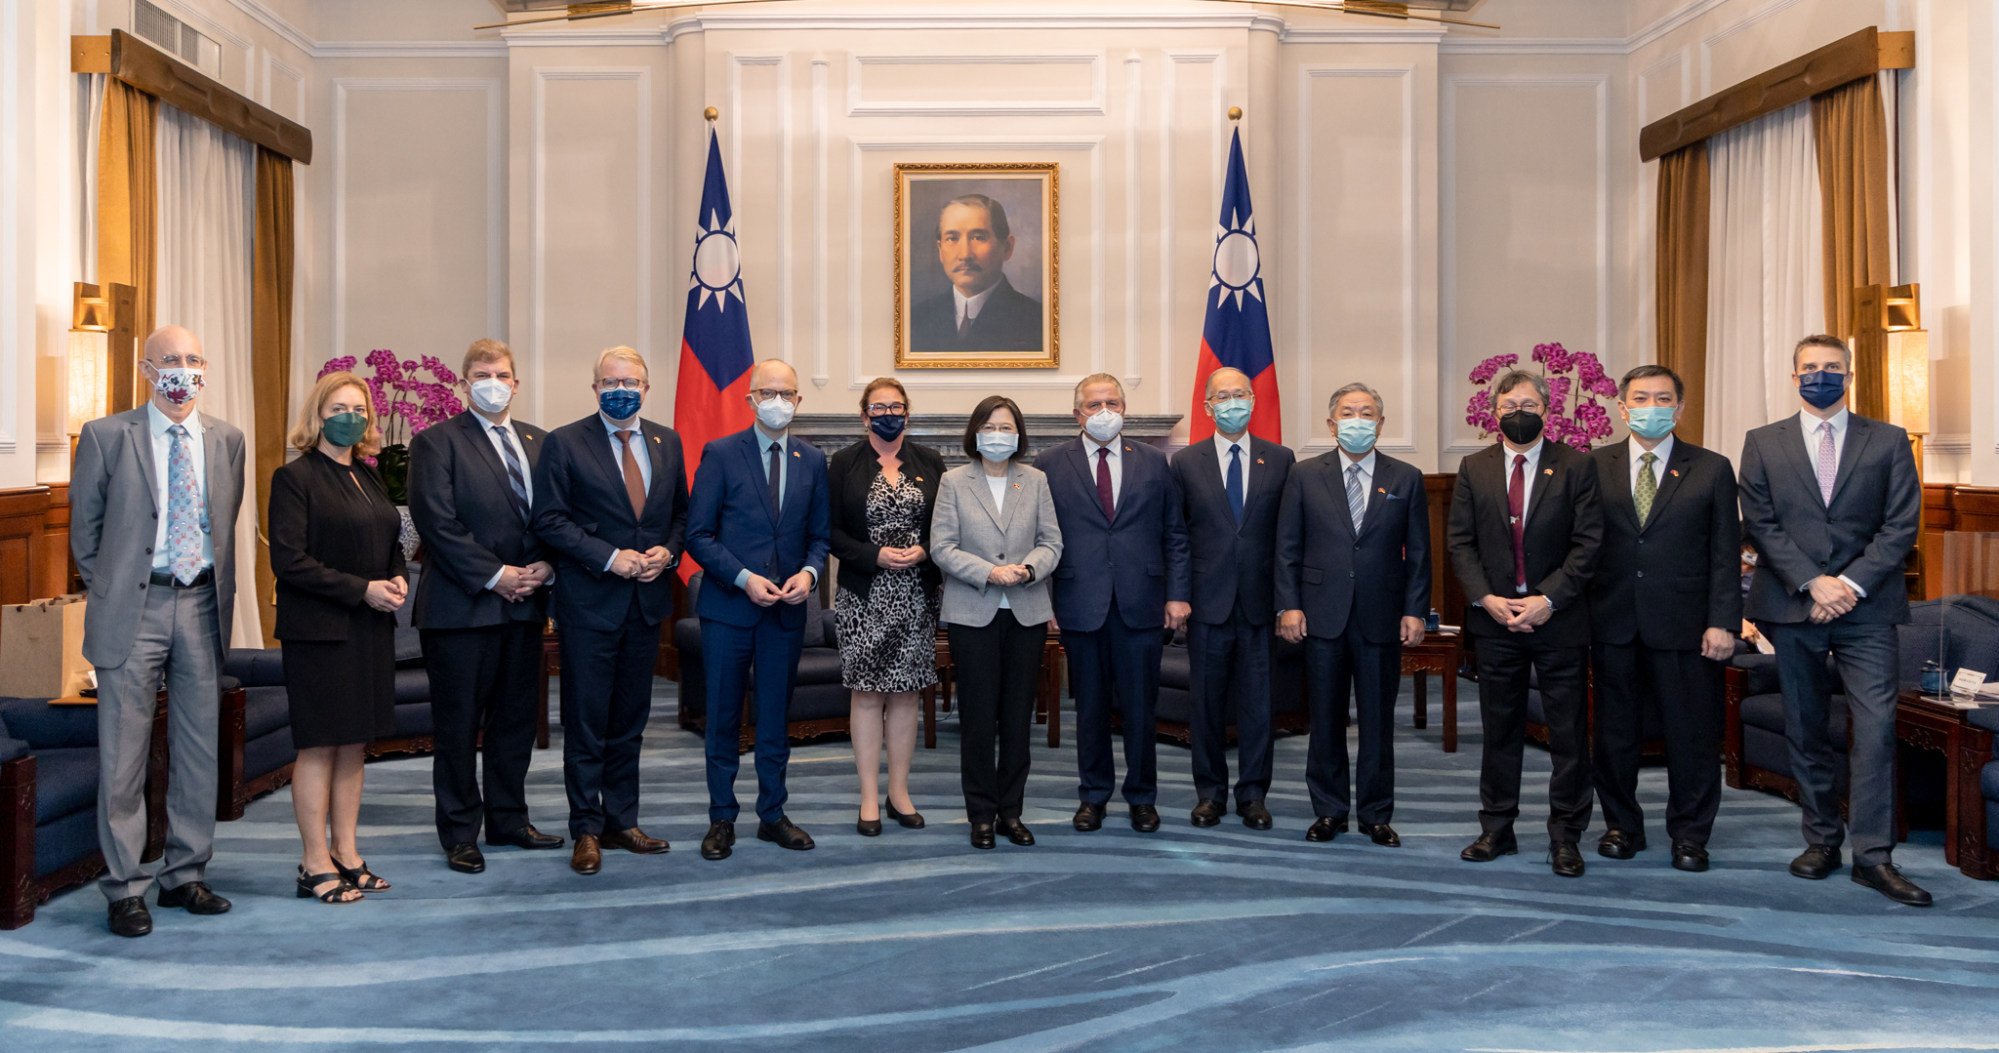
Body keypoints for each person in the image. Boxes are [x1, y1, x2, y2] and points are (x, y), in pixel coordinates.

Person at [1738, 333, 1928, 906]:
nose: (1821, 375)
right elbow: (1761, 523)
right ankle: (1820, 840)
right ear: (1793, 377)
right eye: (1810, 367)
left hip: (1867, 608)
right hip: (1792, 604)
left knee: (1875, 731)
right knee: (1805, 725)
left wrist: (1846, 584)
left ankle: (1873, 857)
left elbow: (1901, 525)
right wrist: (1811, 581)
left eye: (1833, 367)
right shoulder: (1762, 442)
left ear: (1849, 375)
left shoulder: (1889, 440)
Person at [71, 325, 245, 937]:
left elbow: (222, 528)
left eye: (193, 359)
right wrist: (121, 588)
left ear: (206, 369)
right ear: (147, 370)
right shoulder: (105, 436)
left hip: (202, 606)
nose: (183, 369)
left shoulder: (228, 440)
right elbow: (84, 536)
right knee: (124, 752)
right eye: (169, 359)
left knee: (199, 747)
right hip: (134, 610)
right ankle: (124, 887)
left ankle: (186, 874)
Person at [531, 346, 688, 877]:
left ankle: (623, 819)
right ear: (595, 387)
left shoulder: (668, 442)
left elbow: (679, 516)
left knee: (630, 721)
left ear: (647, 387)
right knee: (586, 720)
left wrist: (668, 552)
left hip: (646, 605)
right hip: (588, 605)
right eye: (611, 381)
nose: (622, 389)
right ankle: (586, 828)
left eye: (632, 381)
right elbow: (549, 521)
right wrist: (609, 557)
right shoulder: (565, 442)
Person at [408, 338, 563, 875]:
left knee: (515, 722)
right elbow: (437, 523)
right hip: (460, 610)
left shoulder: (542, 443)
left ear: (516, 383)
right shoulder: (436, 443)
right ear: (463, 383)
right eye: (481, 373)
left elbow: (555, 516)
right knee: (457, 726)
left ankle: (508, 818)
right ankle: (458, 832)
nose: (492, 381)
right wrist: (496, 576)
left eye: (501, 374)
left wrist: (545, 565)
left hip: (526, 605)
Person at [1448, 368, 1602, 877]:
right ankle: (1497, 827)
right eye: (1510, 405)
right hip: (1495, 622)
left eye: (1530, 405)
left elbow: (1588, 544)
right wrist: (1485, 599)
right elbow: (1461, 543)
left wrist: (1547, 600)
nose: (1520, 413)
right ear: (1494, 411)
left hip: (1557, 622)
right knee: (1499, 730)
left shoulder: (1578, 466)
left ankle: (1566, 835)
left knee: (1567, 734)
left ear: (1547, 410)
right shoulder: (1475, 467)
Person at [1587, 365, 1740, 873]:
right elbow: (1582, 547)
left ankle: (1691, 835)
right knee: (1614, 736)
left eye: (1663, 398)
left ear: (1680, 407)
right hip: (1612, 622)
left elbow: (1724, 552)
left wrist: (1724, 621)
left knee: (1691, 735)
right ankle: (1621, 826)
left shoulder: (1712, 468)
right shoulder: (1594, 466)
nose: (1652, 406)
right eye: (1641, 398)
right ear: (1622, 407)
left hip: (1687, 625)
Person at [684, 358, 832, 860]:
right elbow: (697, 536)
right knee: (723, 717)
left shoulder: (813, 461)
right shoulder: (722, 454)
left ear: (798, 401)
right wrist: (745, 579)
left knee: (774, 718)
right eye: (767, 392)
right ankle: (721, 817)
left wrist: (809, 576)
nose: (777, 401)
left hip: (786, 613)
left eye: (786, 393)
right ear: (749, 399)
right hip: (729, 608)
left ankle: (773, 813)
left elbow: (819, 537)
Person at [269, 372, 407, 905]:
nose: (349, 416)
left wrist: (394, 577)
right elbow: (291, 562)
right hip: (320, 632)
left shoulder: (368, 476)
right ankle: (313, 862)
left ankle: (347, 853)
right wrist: (362, 589)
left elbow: (390, 536)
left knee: (355, 744)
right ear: (317, 415)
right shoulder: (295, 477)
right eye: (337, 408)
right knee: (320, 745)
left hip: (369, 626)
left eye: (357, 408)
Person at [1034, 373, 1191, 833]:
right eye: (1093, 404)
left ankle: (1143, 797)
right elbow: (1042, 538)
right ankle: (1094, 796)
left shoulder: (1154, 461)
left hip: (1142, 602)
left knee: (1142, 708)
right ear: (1077, 414)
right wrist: (1045, 602)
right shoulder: (1049, 464)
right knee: (1091, 708)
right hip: (1079, 603)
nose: (1104, 411)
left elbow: (1175, 533)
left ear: (1124, 408)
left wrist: (1178, 594)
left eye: (1113, 402)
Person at [1275, 382, 1429, 847]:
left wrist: (1416, 610)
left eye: (1367, 413)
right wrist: (1289, 604)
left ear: (1380, 425)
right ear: (1331, 423)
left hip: (1382, 616)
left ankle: (1376, 814)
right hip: (1321, 615)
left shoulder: (1406, 477)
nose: (1357, 420)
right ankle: (1329, 811)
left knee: (1379, 721)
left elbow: (1419, 553)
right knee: (1324, 718)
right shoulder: (1304, 475)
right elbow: (1287, 547)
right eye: (1348, 412)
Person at [931, 396, 1063, 849]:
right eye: (990, 426)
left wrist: (1027, 570)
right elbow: (942, 547)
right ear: (975, 432)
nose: (998, 434)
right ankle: (981, 815)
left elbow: (1051, 542)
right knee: (978, 718)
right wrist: (989, 571)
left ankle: (1012, 811)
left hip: (1025, 610)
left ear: (1019, 433)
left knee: (1017, 718)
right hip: (973, 611)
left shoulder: (1037, 480)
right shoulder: (953, 481)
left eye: (1007, 427)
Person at [1169, 367, 1294, 830]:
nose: (1232, 402)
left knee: (1258, 704)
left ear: (1253, 400)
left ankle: (1254, 795)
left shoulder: (1280, 459)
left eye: (1240, 394)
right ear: (1208, 406)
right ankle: (1210, 794)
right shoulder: (1185, 462)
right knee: (1205, 703)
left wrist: (1288, 601)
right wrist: (1178, 595)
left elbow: (1287, 539)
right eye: (1222, 396)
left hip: (1261, 605)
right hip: (1207, 602)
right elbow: (1177, 536)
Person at [827, 377, 943, 836]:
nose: (888, 414)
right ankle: (869, 797)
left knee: (906, 694)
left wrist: (926, 550)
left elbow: (947, 526)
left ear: (908, 413)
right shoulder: (843, 463)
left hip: (916, 593)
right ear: (864, 415)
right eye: (879, 407)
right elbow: (830, 532)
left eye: (896, 406)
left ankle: (899, 792)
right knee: (867, 692)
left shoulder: (930, 462)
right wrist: (873, 555)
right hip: (864, 595)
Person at [909, 193, 1043, 353]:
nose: (965, 254)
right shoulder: (915, 320)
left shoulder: (1037, 321)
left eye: (978, 237)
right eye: (952, 238)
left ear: (1007, 247)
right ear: (940, 251)